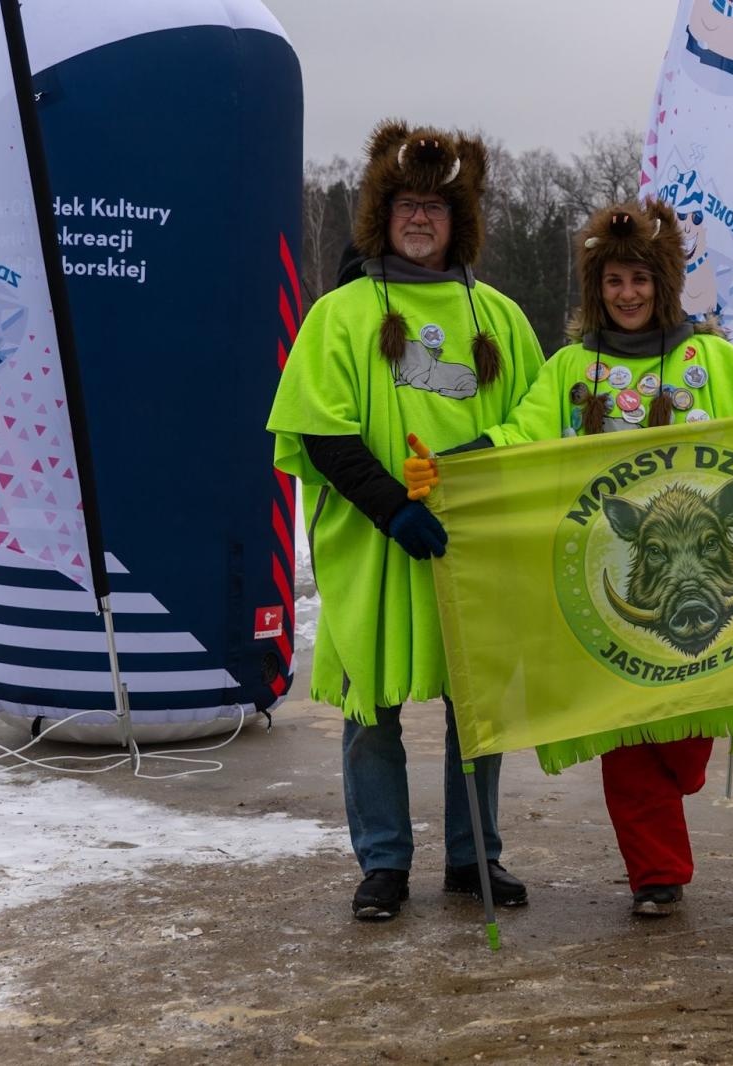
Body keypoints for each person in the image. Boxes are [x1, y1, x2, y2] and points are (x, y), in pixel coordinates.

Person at [405, 198, 733, 916]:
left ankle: (674, 795)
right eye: (613, 282)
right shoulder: (573, 367)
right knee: (630, 731)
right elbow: (520, 436)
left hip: (709, 592)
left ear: (661, 284)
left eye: (639, 279)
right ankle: (656, 874)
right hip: (616, 592)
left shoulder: (707, 358)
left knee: (686, 726)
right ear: (596, 290)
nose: (627, 294)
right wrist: (451, 470)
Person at [267, 122, 544, 920]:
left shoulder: (499, 316)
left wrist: (475, 475)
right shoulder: (341, 313)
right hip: (373, 548)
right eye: (406, 206)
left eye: (435, 207)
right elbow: (321, 430)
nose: (420, 219)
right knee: (371, 713)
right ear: (381, 217)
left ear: (460, 222)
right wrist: (393, 509)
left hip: (474, 547)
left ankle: (474, 859)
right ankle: (384, 864)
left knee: (477, 707)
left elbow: (537, 419)